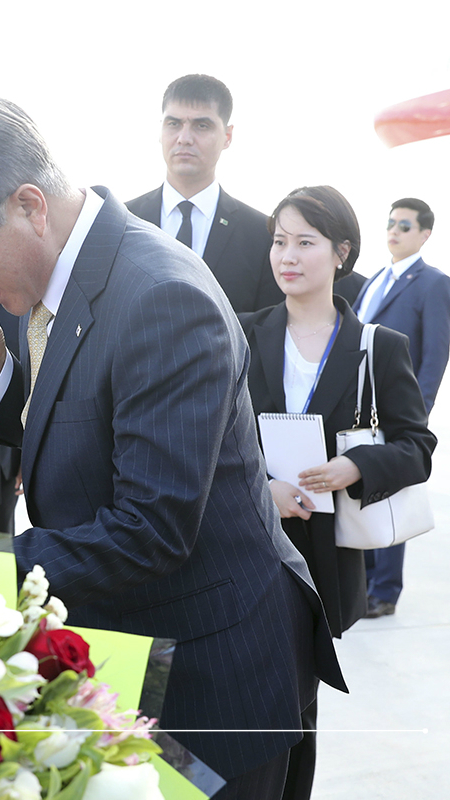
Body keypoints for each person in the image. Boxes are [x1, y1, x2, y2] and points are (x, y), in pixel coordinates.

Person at [0, 95, 345, 799]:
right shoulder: (69, 275)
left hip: (209, 675)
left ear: (28, 205)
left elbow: (150, 531)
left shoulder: (159, 297)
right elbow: (80, 428)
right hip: (132, 645)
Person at [241, 186, 435, 799]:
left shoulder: (379, 347)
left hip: (324, 557)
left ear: (341, 253)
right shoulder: (241, 334)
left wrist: (356, 468)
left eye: (305, 242)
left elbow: (417, 447)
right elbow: (217, 439)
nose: (287, 256)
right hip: (251, 546)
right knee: (256, 700)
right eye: (278, 241)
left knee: (299, 707)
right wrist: (261, 487)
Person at [351, 197, 450, 617]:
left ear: (425, 234)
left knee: (394, 495)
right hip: (361, 408)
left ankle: (386, 591)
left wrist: (417, 415)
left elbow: (435, 354)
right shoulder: (375, 278)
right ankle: (367, 581)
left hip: (400, 410)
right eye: (391, 223)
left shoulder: (433, 283)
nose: (394, 231)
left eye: (405, 226)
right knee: (367, 492)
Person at [126, 74, 284, 313]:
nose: (184, 138)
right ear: (159, 130)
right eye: (173, 124)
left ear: (227, 136)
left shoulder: (261, 235)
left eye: (202, 126)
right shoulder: (123, 222)